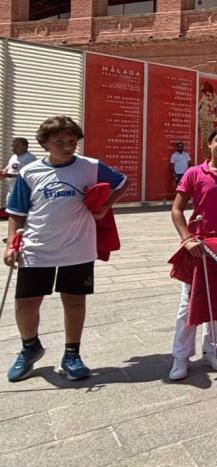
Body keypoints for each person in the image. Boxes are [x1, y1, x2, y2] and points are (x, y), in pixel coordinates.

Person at [5, 116, 128, 382]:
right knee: (26, 304)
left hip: (78, 247)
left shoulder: (91, 167)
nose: (67, 146)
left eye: (72, 141)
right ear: (45, 143)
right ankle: (30, 347)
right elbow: (16, 212)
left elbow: (122, 182)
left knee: (74, 300)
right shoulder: (30, 171)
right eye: (59, 141)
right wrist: (10, 242)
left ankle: (72, 354)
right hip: (37, 247)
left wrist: (107, 205)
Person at [168, 126, 217, 380]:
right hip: (197, 247)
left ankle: (212, 351)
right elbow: (176, 210)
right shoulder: (194, 173)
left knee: (216, 301)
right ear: (209, 145)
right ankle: (180, 356)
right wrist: (187, 239)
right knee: (188, 304)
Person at [2, 138, 36, 211]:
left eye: (16, 146)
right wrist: (3, 172)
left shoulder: (29, 158)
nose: (13, 148)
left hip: (22, 190)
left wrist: (9, 175)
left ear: (25, 146)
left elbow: (29, 175)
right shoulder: (13, 157)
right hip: (12, 188)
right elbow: (8, 168)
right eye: (12, 146)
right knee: (10, 210)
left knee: (18, 212)